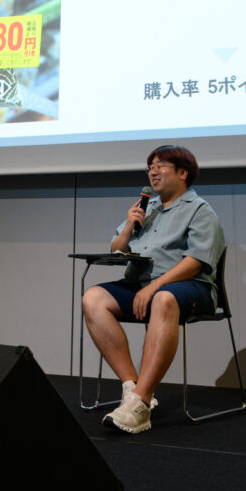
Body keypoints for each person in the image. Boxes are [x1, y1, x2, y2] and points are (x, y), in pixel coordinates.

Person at [81, 145, 225, 433]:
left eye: (161, 166)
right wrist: (127, 227)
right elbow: (116, 249)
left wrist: (156, 286)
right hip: (140, 285)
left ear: (183, 173)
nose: (153, 172)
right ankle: (132, 388)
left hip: (190, 287)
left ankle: (141, 403)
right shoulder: (148, 208)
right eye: (150, 167)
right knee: (93, 298)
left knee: (163, 298)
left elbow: (196, 262)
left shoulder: (200, 210)